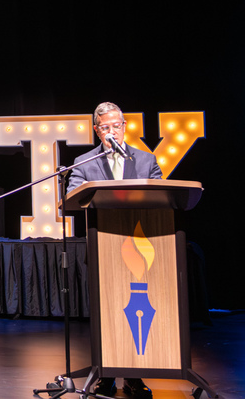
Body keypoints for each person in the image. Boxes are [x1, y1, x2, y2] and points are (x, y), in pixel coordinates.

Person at [71, 102, 162, 399]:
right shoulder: (83, 162)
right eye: (105, 128)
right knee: (106, 315)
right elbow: (72, 197)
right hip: (104, 248)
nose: (112, 132)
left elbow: (162, 197)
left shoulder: (147, 160)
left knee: (134, 313)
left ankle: (134, 377)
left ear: (125, 126)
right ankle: (105, 376)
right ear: (97, 131)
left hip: (140, 250)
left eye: (117, 126)